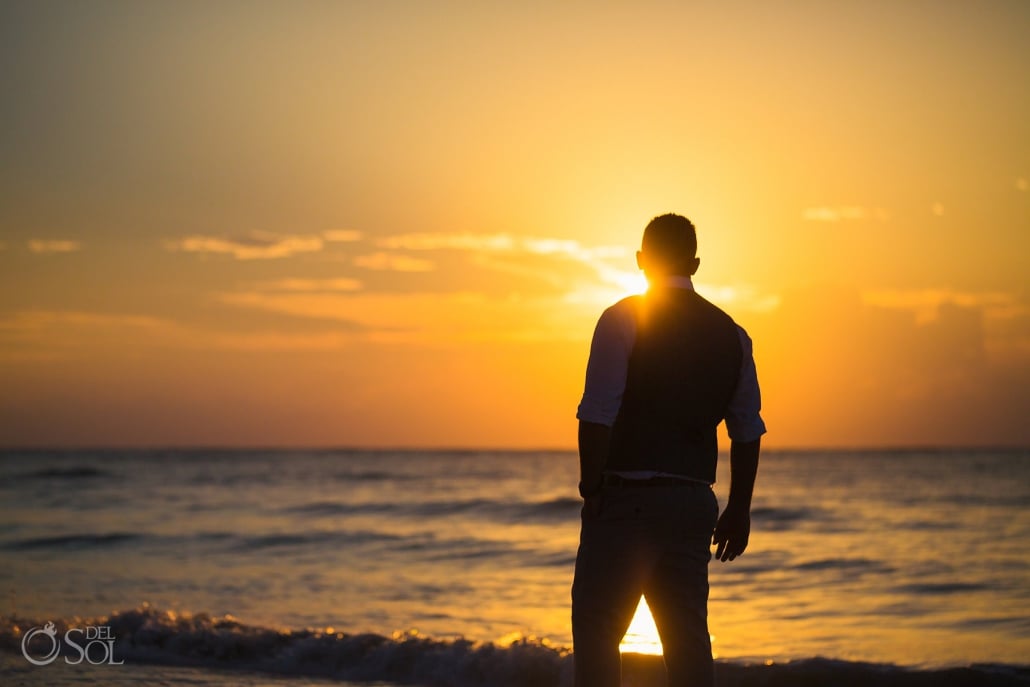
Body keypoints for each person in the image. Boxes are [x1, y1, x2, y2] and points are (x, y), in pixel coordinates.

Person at [571, 213, 766, 687]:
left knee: (598, 629)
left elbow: (597, 415)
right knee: (688, 640)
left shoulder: (621, 319)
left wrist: (591, 488)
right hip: (694, 502)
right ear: (695, 264)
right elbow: (746, 430)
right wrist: (739, 507)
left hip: (628, 497)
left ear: (640, 260)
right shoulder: (733, 335)